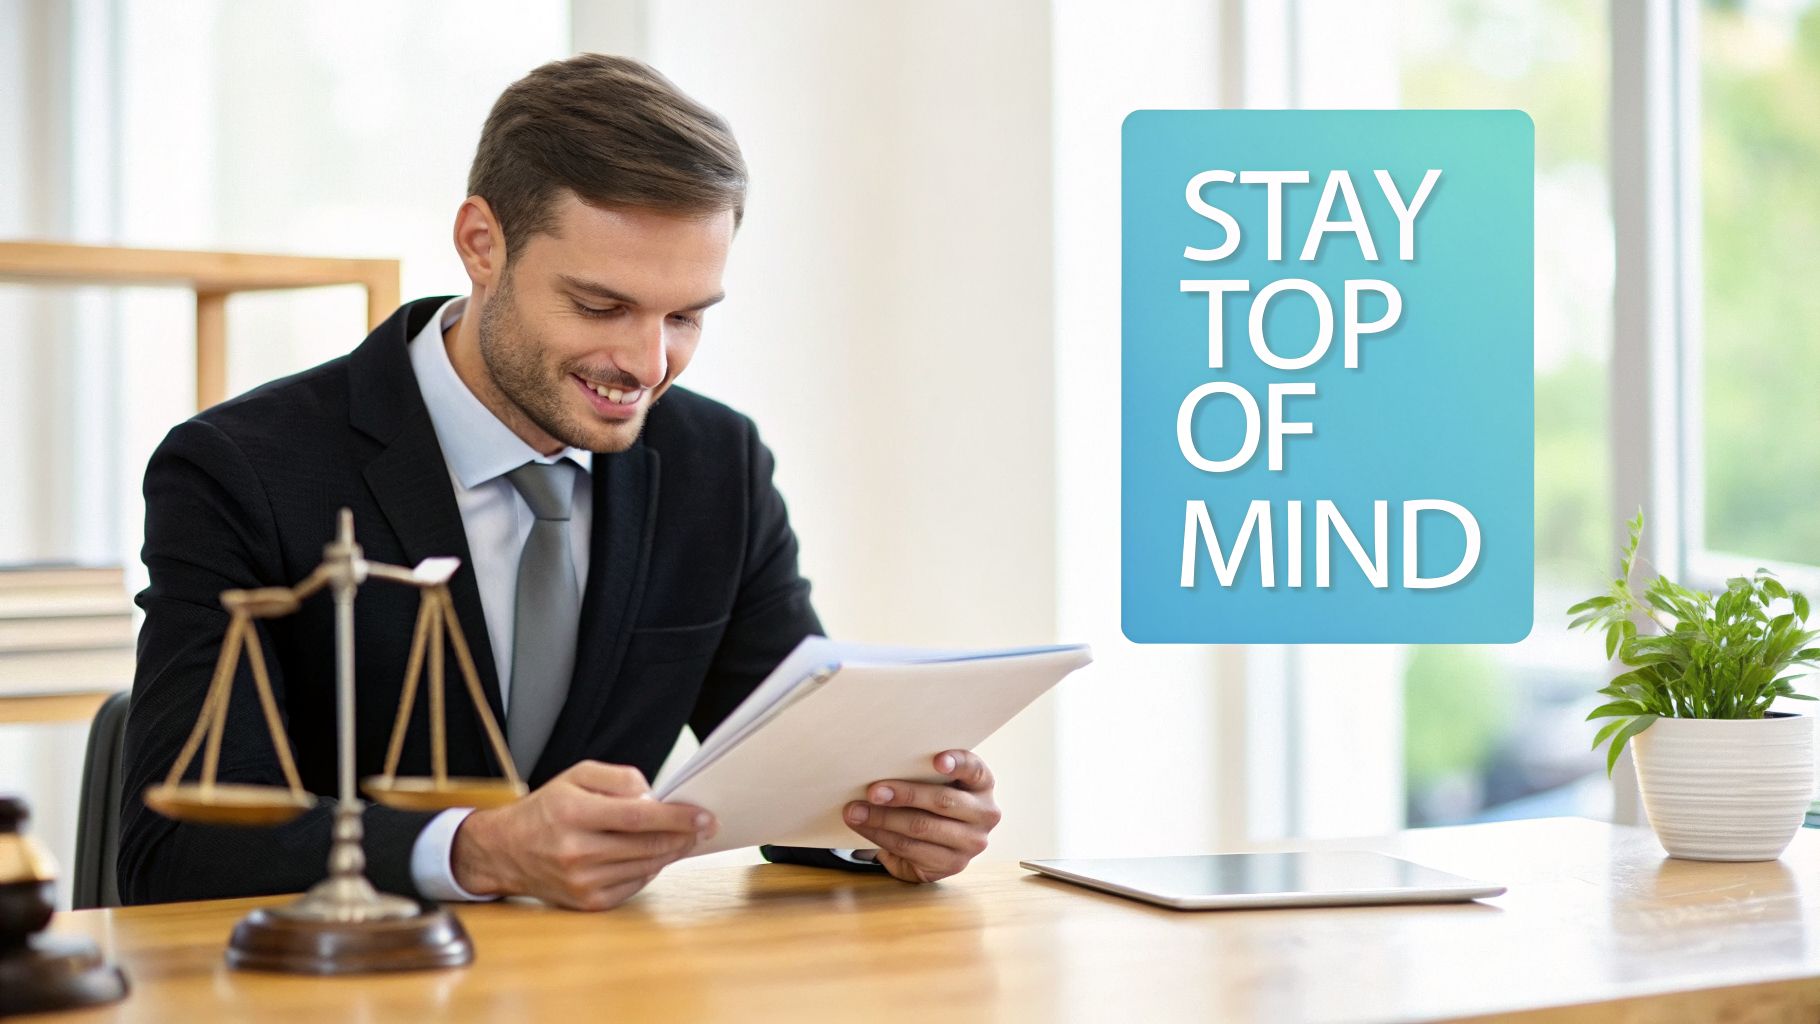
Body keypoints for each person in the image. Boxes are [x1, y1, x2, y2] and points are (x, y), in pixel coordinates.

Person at [118, 53, 1000, 910]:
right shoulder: (242, 469)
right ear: (481, 245)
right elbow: (172, 853)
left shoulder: (715, 465)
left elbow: (793, 767)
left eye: (686, 316)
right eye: (600, 306)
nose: (648, 365)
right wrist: (479, 849)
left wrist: (888, 822)